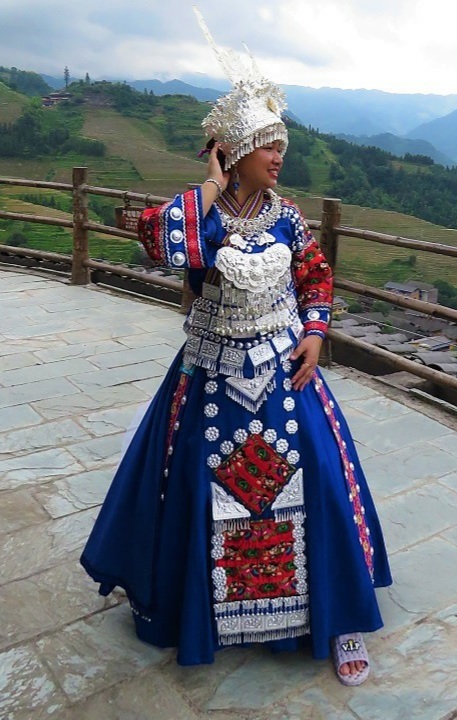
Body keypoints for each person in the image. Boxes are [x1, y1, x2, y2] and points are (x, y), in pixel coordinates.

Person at [80, 11, 392, 686]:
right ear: (236, 151)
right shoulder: (200, 217)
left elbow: (315, 278)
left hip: (283, 369)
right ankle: (201, 612)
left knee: (315, 473)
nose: (279, 156)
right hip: (209, 372)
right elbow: (161, 241)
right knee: (198, 482)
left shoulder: (288, 217)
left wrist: (314, 333)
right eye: (266, 145)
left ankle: (338, 614)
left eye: (281, 145)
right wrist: (213, 183)